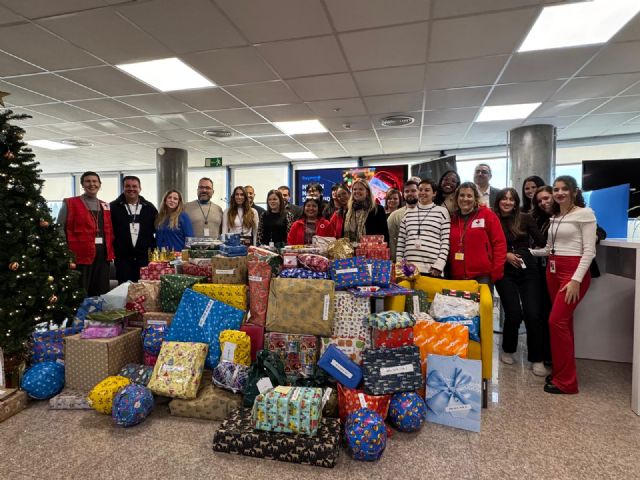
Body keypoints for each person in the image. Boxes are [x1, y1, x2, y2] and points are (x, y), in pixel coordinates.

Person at [533, 176, 597, 395]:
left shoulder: (585, 214)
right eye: (556, 189)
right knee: (563, 324)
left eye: (564, 189)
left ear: (573, 191)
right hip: (553, 270)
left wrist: (576, 280)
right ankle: (561, 372)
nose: (559, 193)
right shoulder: (556, 217)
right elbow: (550, 248)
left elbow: (589, 251)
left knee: (556, 322)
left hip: (572, 272)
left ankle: (567, 383)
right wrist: (529, 252)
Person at [492, 188, 548, 376]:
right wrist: (506, 254)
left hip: (528, 269)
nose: (508, 202)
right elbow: (488, 245)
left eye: (511, 199)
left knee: (533, 314)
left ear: (516, 202)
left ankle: (537, 358)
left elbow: (541, 240)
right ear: (498, 201)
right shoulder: (493, 219)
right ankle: (508, 349)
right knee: (514, 313)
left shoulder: (525, 218)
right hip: (504, 270)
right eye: (504, 199)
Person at [57, 171, 114, 296]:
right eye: (88, 181)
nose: (92, 184)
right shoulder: (70, 203)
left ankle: (97, 315)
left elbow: (109, 230)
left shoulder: (105, 205)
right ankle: (80, 315)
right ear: (82, 184)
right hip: (79, 256)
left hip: (102, 256)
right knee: (80, 291)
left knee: (101, 291)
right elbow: (59, 227)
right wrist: (65, 251)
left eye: (95, 181)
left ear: (100, 184)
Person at [447, 182, 506, 288]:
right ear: (457, 198)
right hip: (457, 277)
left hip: (482, 276)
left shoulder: (487, 215)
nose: (465, 199)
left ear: (476, 198)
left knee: (483, 305)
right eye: (462, 195)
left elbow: (499, 244)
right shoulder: (452, 219)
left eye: (469, 196)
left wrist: (496, 272)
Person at [396, 179, 450, 276]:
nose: (423, 193)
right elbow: (401, 242)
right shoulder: (408, 212)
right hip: (408, 270)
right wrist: (400, 266)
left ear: (434, 193)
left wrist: (439, 265)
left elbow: (445, 241)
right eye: (420, 190)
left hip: (433, 270)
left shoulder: (442, 212)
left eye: (427, 190)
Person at [109, 175, 158, 283]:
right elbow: (109, 231)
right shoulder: (113, 207)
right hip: (123, 259)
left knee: (145, 289)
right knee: (124, 290)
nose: (131, 189)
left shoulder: (149, 207)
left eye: (134, 186)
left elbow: (157, 229)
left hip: (145, 258)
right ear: (123, 188)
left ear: (140, 188)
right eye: (128, 186)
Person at [342, 178, 389, 243]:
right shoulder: (348, 210)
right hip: (350, 251)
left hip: (372, 251)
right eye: (354, 189)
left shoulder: (378, 209)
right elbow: (343, 235)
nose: (357, 191)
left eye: (360, 189)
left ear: (367, 192)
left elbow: (385, 235)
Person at [388, 180, 419, 261]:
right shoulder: (395, 215)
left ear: (419, 192)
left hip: (425, 261)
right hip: (403, 262)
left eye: (413, 191)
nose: (410, 193)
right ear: (404, 195)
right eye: (407, 191)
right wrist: (395, 260)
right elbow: (390, 239)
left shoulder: (429, 213)